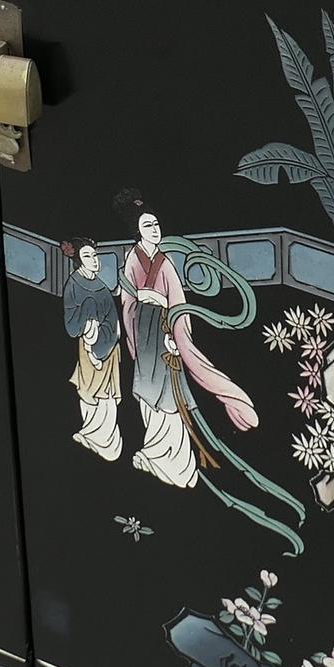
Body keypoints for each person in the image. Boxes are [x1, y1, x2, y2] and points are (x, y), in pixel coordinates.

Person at [116, 193, 257, 488]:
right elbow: (127, 302)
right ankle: (155, 453)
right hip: (144, 336)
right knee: (148, 396)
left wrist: (178, 337)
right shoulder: (131, 259)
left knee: (170, 398)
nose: (155, 229)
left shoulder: (165, 263)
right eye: (147, 225)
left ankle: (178, 465)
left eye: (156, 224)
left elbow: (178, 303)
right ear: (136, 231)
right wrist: (135, 333)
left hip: (165, 334)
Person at [60, 238, 122, 461]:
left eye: (94, 256)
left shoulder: (102, 287)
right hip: (87, 347)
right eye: (87, 256)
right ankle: (91, 433)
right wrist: (89, 325)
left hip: (108, 349)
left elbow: (113, 319)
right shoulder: (73, 285)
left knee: (107, 398)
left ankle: (107, 440)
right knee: (88, 392)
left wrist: (106, 339)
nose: (94, 261)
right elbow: (71, 322)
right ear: (78, 260)